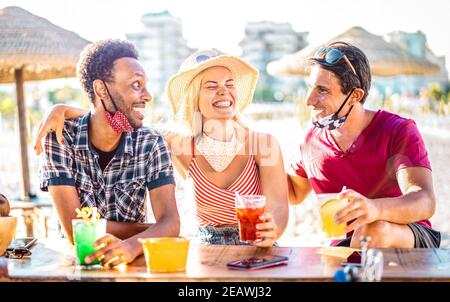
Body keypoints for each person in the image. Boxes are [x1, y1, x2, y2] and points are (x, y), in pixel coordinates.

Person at [34, 49, 289, 247]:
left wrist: (272, 230)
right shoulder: (179, 144)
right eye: (211, 86)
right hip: (206, 246)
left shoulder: (263, 144)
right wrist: (63, 110)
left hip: (258, 246)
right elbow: (111, 118)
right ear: (194, 98)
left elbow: (278, 207)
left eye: (230, 84)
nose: (224, 92)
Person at [38, 39, 180, 267]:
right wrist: (150, 230)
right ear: (101, 89)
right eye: (136, 85)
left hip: (131, 268)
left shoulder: (151, 142)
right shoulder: (60, 138)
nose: (147, 95)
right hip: (77, 268)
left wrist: (131, 246)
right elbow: (76, 233)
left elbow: (171, 222)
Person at [287, 41, 440, 248]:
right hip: (346, 246)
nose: (309, 100)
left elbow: (425, 200)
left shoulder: (397, 130)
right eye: (310, 88)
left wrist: (374, 209)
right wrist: (252, 151)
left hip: (405, 235)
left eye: (322, 90)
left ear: (355, 96)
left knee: (371, 231)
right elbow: (294, 193)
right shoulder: (311, 141)